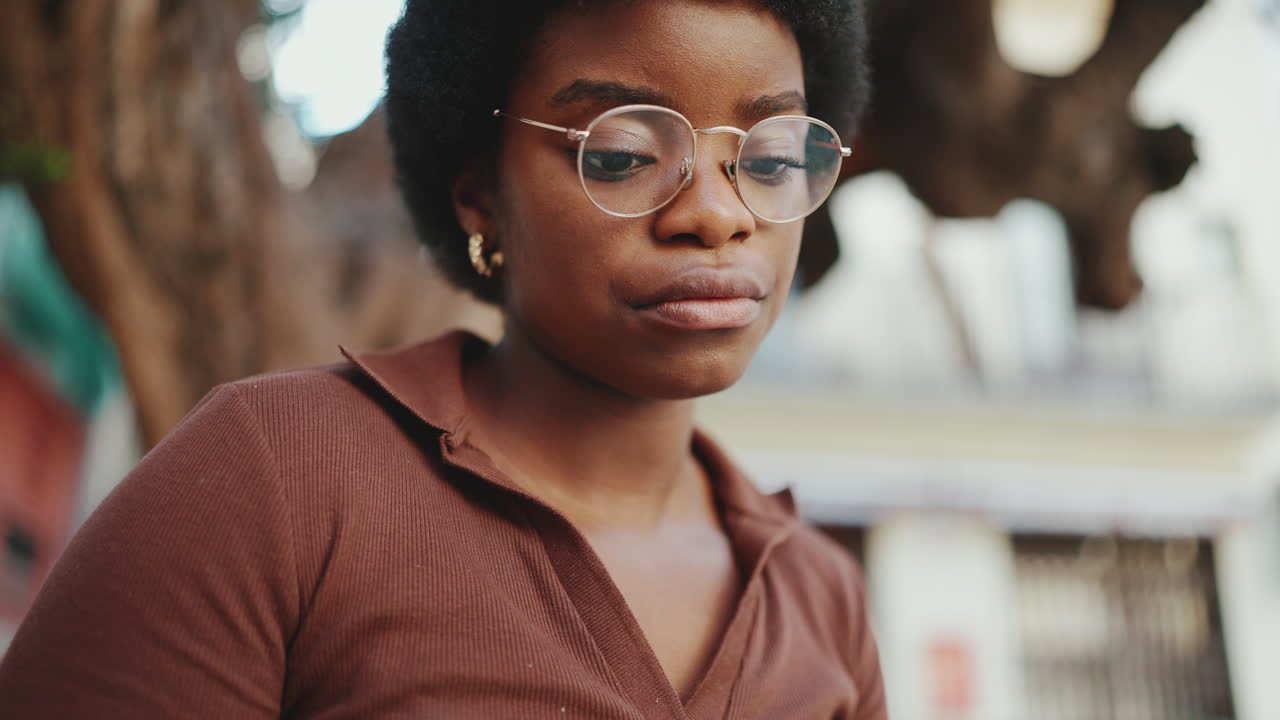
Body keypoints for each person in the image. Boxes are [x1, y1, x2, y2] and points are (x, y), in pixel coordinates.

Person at [0, 0, 886, 717]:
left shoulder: (821, 599)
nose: (718, 214)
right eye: (621, 155)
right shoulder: (272, 479)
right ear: (479, 199)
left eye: (769, 161)